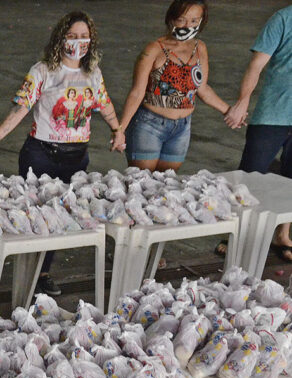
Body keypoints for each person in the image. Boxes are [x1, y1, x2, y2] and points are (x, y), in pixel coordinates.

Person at [0, 10, 124, 297]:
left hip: (76, 158)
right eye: (72, 36)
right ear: (60, 38)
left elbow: (104, 105)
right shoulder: (43, 71)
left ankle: (43, 274)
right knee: (37, 217)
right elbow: (20, 109)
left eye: (83, 36)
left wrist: (117, 130)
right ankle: (25, 274)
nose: (78, 42)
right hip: (41, 155)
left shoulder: (92, 73)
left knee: (61, 217)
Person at [117, 1, 232, 172]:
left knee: (167, 185)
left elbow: (202, 89)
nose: (188, 25)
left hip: (182, 128)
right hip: (149, 125)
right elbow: (137, 92)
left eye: (194, 21)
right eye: (182, 20)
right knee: (141, 184)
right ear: (171, 19)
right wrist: (120, 130)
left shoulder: (200, 48)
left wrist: (229, 111)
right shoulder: (154, 49)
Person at [226, 4, 292, 262]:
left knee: (291, 180)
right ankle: (234, 233)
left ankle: (283, 234)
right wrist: (243, 101)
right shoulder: (283, 19)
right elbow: (256, 65)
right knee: (249, 177)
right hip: (272, 114)